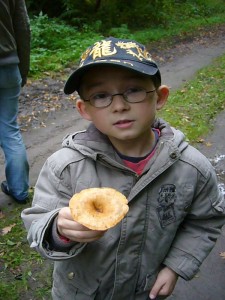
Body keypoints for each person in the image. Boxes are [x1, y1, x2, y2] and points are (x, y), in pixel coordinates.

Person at [21, 37, 225, 299]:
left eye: (134, 90)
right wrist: (57, 230)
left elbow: (205, 221)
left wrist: (176, 266)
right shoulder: (65, 166)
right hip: (81, 292)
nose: (119, 105)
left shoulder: (191, 168)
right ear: (85, 109)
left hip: (145, 291)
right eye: (101, 95)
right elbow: (37, 222)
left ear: (160, 97)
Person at [0, 0, 30, 204]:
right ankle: (19, 191)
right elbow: (23, 27)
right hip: (8, 65)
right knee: (10, 129)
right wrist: (23, 68)